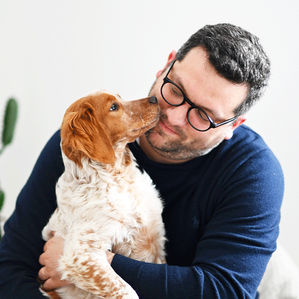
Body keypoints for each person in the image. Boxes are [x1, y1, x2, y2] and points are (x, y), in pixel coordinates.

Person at [0, 23, 284, 298]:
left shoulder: (252, 173)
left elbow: (224, 291)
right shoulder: (86, 143)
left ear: (232, 127)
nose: (173, 116)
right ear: (166, 67)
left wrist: (92, 265)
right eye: (175, 90)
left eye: (202, 115)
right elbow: (10, 268)